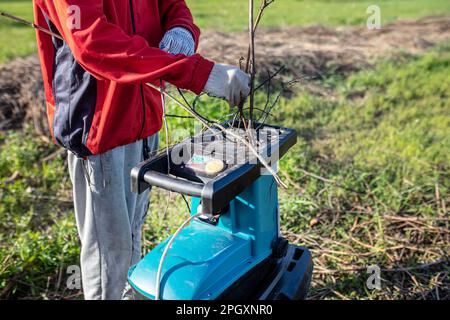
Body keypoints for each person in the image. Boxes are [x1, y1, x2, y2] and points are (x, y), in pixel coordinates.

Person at [32, 0, 250, 300]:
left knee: (132, 234)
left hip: (146, 119)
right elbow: (92, 43)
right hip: (100, 128)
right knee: (108, 253)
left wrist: (181, 27)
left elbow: (172, 5)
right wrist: (199, 73)